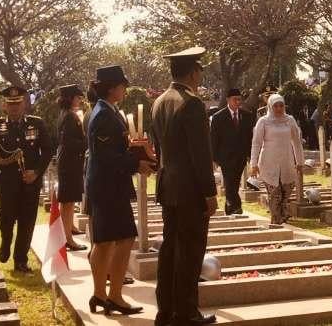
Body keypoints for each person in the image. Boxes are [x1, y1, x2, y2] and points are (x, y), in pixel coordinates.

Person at [152, 47, 218, 326]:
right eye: (200, 69)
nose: (200, 74)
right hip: (190, 189)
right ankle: (186, 312)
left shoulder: (160, 101)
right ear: (193, 72)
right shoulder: (191, 103)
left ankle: (165, 310)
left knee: (170, 250)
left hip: (169, 185)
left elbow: (160, 149)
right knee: (190, 251)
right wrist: (210, 193)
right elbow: (200, 155)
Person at [86, 66, 154, 316]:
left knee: (109, 241)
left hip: (109, 184)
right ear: (112, 87)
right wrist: (136, 163)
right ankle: (110, 295)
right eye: (122, 85)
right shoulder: (103, 114)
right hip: (107, 186)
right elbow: (106, 157)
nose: (125, 89)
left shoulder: (108, 111)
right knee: (116, 240)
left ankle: (103, 294)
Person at [0, 86, 52, 272]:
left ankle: (20, 260)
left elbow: (48, 150)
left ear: (24, 104)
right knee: (6, 218)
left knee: (27, 221)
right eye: (10, 104)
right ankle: (5, 241)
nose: (14, 107)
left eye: (18, 103)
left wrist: (36, 172)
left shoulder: (36, 123)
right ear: (4, 105)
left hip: (30, 183)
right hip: (6, 182)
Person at [250, 94, 304, 225]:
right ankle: (276, 221)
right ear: (270, 106)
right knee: (274, 194)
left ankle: (282, 216)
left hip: (286, 161)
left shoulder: (289, 120)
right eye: (276, 106)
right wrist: (254, 164)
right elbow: (256, 143)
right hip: (269, 162)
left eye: (281, 105)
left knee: (285, 193)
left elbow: (296, 142)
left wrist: (300, 162)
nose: (279, 109)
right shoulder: (263, 121)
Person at [210, 88, 255, 215]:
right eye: (235, 99)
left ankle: (229, 206)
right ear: (228, 100)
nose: (237, 102)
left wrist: (250, 155)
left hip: (241, 156)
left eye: (239, 99)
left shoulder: (246, 116)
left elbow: (249, 137)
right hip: (225, 157)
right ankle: (236, 206)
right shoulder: (218, 117)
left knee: (234, 181)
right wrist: (214, 158)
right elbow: (214, 138)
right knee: (229, 180)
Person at [56, 84, 87, 251]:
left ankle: (69, 229)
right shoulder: (69, 117)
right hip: (69, 163)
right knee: (67, 202)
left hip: (69, 163)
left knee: (69, 200)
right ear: (70, 99)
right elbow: (69, 142)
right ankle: (67, 238)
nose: (79, 100)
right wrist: (87, 141)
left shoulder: (66, 114)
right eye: (77, 97)